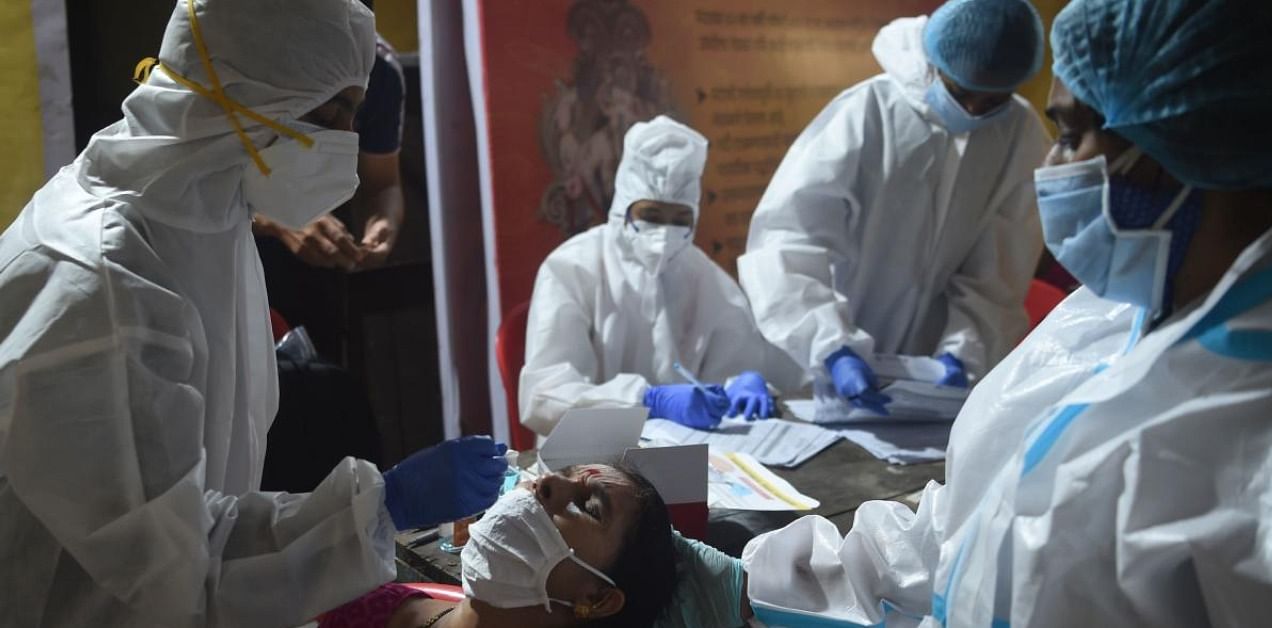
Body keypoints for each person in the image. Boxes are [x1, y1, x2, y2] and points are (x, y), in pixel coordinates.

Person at [736, 0, 1272, 625]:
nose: (1050, 167)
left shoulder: (1252, 458)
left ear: (1188, 138)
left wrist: (961, 352)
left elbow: (993, 272)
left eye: (1071, 137)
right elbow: (977, 522)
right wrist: (772, 579)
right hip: (840, 361)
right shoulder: (1106, 319)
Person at [0, 1, 505, 626]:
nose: (346, 142)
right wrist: (383, 506)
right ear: (250, 96)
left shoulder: (206, 219)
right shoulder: (105, 283)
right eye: (332, 115)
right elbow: (169, 574)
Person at [738, 0, 1048, 414]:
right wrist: (831, 345)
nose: (974, 110)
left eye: (992, 99)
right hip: (820, 366)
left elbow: (1000, 268)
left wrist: (964, 350)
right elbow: (788, 238)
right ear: (935, 64)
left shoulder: (1019, 133)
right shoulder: (869, 111)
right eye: (962, 92)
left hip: (926, 383)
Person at [520, 115, 802, 434]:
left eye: (679, 218)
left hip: (693, 456)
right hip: (588, 457)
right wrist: (646, 402)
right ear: (624, 205)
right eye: (651, 214)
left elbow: (737, 365)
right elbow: (543, 396)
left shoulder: (707, 279)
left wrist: (745, 382)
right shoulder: (571, 268)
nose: (665, 233)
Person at [318, 464, 678, 628]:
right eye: (563, 472)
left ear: (597, 599)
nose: (546, 482)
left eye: (587, 506)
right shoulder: (366, 605)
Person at [252, 20, 407, 362]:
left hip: (318, 272)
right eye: (325, 116)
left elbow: (381, 184)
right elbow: (195, 180)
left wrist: (382, 224)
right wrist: (279, 216)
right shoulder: (240, 48)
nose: (343, 132)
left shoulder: (377, 69)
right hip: (223, 257)